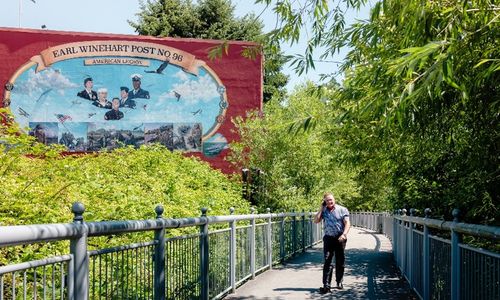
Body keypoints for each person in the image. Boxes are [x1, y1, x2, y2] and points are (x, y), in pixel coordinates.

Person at [314, 192, 351, 294]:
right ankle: (326, 285)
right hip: (328, 238)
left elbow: (347, 223)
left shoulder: (342, 209)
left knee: (340, 261)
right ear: (324, 202)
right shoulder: (324, 210)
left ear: (334, 200)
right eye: (327, 200)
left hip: (340, 238)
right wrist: (321, 209)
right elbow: (316, 220)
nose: (329, 202)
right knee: (327, 260)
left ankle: (339, 281)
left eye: (331, 200)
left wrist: (344, 234)